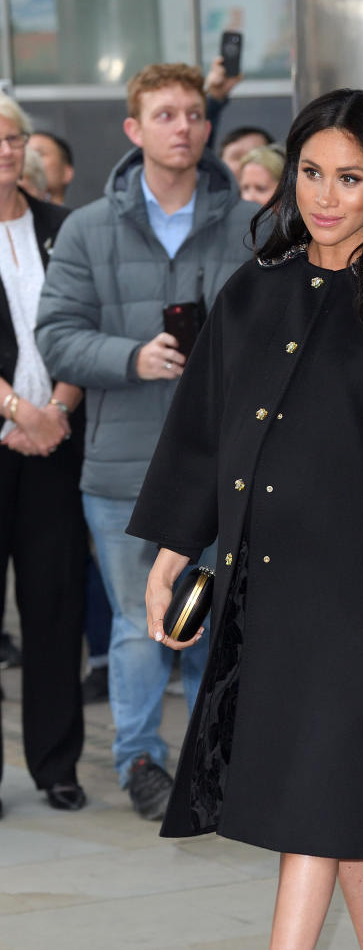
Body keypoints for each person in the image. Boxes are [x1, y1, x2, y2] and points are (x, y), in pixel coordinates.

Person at [126, 88, 363, 950]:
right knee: (348, 817)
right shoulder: (255, 290)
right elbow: (206, 427)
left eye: (352, 178)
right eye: (311, 173)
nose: (327, 197)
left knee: (316, 809)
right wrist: (176, 544)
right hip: (275, 588)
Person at [36, 63, 255, 821]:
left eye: (194, 113)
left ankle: (210, 760)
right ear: (134, 130)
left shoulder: (248, 223)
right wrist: (133, 358)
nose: (184, 127)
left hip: (224, 466)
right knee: (140, 624)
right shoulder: (88, 228)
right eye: (165, 115)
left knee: (214, 618)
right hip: (124, 466)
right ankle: (139, 762)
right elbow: (56, 338)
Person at [0, 93, 86, 818]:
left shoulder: (64, 227)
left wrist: (55, 410)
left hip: (57, 442)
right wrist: (14, 409)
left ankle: (58, 765)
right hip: (4, 430)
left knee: (56, 604)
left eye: (12, 137)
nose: (5, 149)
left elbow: (84, 323)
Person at [26, 132, 73, 205]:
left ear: (66, 173)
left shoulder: (80, 216)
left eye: (39, 153)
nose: (28, 160)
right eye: (26, 154)